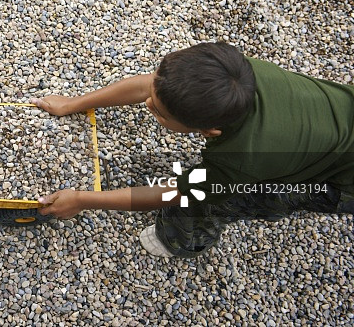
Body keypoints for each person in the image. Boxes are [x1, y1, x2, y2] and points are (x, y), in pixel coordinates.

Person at [32, 42, 354, 258]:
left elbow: (172, 193)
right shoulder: (232, 73)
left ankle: (182, 241)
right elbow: (149, 85)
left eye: (159, 113)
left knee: (214, 199)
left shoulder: (238, 162)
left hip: (345, 179)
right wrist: (74, 104)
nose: (148, 104)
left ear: (210, 132)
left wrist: (83, 200)